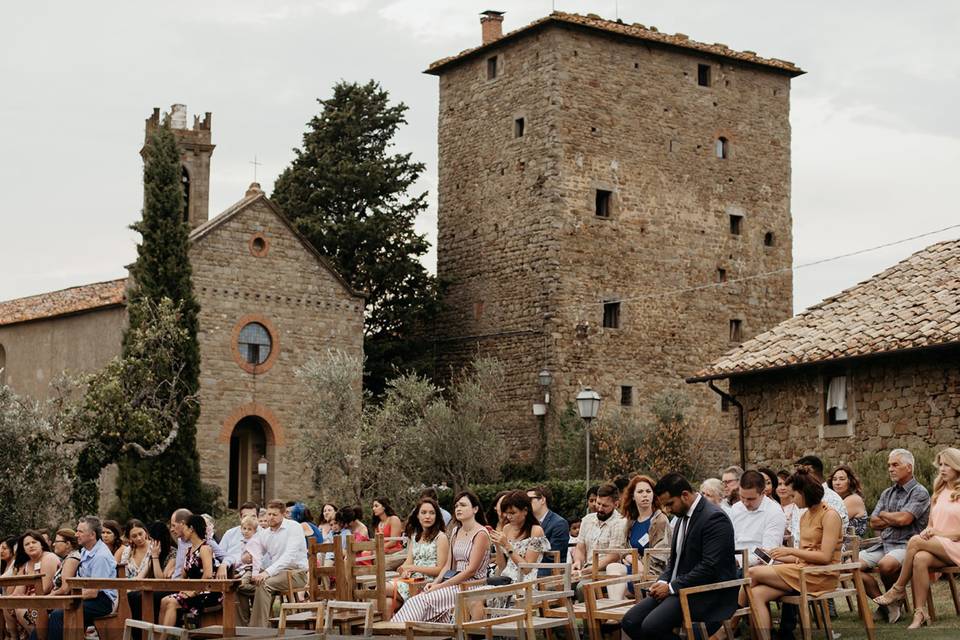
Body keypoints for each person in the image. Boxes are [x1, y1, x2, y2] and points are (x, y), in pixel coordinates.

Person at [621, 473, 738, 640]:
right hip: (680, 588)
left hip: (706, 592)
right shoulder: (681, 517)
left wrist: (670, 588)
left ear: (685, 495)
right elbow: (675, 561)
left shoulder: (714, 518)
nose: (668, 510)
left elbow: (710, 567)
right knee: (630, 621)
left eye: (670, 504)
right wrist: (662, 581)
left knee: (651, 627)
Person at [740, 469, 842, 638]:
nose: (792, 501)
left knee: (751, 572)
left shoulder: (829, 515)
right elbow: (804, 554)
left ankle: (731, 622)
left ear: (804, 493)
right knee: (756, 594)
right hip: (802, 570)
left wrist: (789, 550)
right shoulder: (805, 515)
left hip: (820, 575)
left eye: (793, 496)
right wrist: (777, 555)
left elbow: (824, 557)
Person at [874, 447, 960, 629]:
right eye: (941, 465)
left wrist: (936, 535)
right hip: (942, 545)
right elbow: (931, 524)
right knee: (920, 558)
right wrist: (927, 531)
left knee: (914, 541)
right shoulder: (938, 492)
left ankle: (897, 589)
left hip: (956, 544)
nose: (943, 469)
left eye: (947, 465)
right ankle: (920, 612)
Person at [392, 491, 490, 623]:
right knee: (417, 600)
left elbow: (471, 570)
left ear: (475, 509)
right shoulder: (456, 531)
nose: (458, 509)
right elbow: (448, 566)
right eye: (456, 506)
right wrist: (436, 583)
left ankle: (397, 631)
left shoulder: (481, 533)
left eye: (463, 505)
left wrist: (441, 585)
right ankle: (397, 631)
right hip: (454, 582)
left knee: (421, 601)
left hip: (472, 585)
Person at [857, 449, 929, 624]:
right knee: (851, 566)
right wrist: (893, 518)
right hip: (884, 544)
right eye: (889, 465)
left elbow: (905, 519)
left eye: (895, 465)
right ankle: (888, 605)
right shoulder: (887, 493)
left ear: (909, 467)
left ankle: (892, 597)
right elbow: (873, 522)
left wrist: (886, 515)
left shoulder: (919, 492)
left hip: (908, 545)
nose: (890, 469)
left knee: (886, 565)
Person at [36, 516, 117, 640]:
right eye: (77, 530)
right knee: (46, 612)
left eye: (80, 531)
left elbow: (93, 592)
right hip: (87, 597)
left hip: (102, 601)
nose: (76, 534)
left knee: (59, 614)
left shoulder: (101, 556)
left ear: (92, 534)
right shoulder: (85, 550)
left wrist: (67, 598)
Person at [237, 499, 308, 627]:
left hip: (296, 574)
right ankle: (241, 627)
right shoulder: (265, 533)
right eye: (269, 514)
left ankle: (257, 630)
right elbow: (256, 550)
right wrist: (247, 556)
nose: (270, 517)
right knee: (238, 586)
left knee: (263, 584)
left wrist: (266, 573)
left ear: (283, 514)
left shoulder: (294, 527)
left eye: (274, 514)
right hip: (275, 574)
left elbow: (289, 557)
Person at [157, 515, 220, 637]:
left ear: (191, 529)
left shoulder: (205, 548)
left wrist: (193, 592)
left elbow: (207, 576)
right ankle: (161, 636)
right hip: (191, 590)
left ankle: (163, 638)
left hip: (206, 592)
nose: (182, 531)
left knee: (171, 602)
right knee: (164, 600)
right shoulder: (188, 550)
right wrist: (183, 589)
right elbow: (184, 576)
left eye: (184, 528)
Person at [385, 497, 449, 616]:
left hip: (428, 583)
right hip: (410, 581)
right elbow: (407, 564)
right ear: (418, 516)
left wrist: (414, 568)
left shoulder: (441, 537)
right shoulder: (415, 537)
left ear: (436, 516)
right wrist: (403, 571)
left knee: (380, 589)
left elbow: (441, 569)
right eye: (423, 513)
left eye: (432, 513)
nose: (427, 516)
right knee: (386, 603)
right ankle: (387, 632)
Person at [729, 470, 787, 568]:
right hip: (732, 562)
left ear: (763, 492)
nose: (746, 503)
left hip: (758, 567)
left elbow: (768, 554)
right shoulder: (736, 508)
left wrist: (739, 562)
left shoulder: (774, 512)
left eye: (751, 499)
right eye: (742, 497)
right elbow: (730, 541)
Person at [572, 483, 627, 583]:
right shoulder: (587, 520)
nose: (600, 508)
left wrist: (592, 569)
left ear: (616, 504)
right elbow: (580, 548)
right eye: (598, 503)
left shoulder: (620, 522)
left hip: (606, 572)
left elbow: (613, 556)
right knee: (556, 586)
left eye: (605, 506)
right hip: (586, 569)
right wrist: (578, 562)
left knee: (582, 588)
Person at [491, 491, 549, 585]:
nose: (509, 517)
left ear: (525, 511)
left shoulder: (536, 531)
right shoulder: (506, 528)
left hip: (525, 582)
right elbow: (502, 566)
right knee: (477, 596)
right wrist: (497, 545)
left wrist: (507, 545)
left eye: (513, 513)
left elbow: (526, 569)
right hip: (505, 579)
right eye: (506, 513)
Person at [11, 530, 60, 636]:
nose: (31, 546)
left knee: (20, 609)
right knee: (10, 605)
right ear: (23, 549)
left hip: (50, 601)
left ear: (41, 544)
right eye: (27, 544)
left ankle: (38, 636)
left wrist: (24, 599)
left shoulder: (48, 558)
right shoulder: (26, 565)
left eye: (34, 542)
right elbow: (18, 591)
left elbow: (44, 588)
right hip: (32, 601)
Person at [526, 486, 570, 565]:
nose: (526, 504)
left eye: (529, 500)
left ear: (542, 500)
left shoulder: (559, 524)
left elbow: (553, 557)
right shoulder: (526, 522)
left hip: (548, 570)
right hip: (526, 567)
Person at [217, 502, 259, 577]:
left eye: (253, 517)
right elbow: (219, 555)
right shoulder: (230, 533)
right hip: (230, 570)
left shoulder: (263, 534)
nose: (249, 520)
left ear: (257, 518)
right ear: (240, 518)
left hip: (253, 572)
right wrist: (222, 565)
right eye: (245, 516)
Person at [827, 464, 867, 536]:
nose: (837, 483)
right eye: (834, 479)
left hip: (852, 546)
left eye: (842, 479)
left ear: (850, 481)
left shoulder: (854, 499)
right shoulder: (837, 499)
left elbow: (830, 522)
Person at [373, 497, 406, 569]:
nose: (373, 509)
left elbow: (393, 541)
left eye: (376, 506)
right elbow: (376, 541)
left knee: (381, 564)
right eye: (373, 506)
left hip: (394, 552)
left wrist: (379, 548)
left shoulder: (393, 519)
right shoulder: (377, 523)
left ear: (384, 507)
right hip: (381, 552)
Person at [51, 529, 82, 595]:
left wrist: (48, 597)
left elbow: (65, 589)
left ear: (68, 544)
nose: (53, 544)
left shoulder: (71, 560)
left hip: (63, 602)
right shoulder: (69, 558)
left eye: (56, 542)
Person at [776, 470, 795, 538]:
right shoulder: (774, 507)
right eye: (779, 484)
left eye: (786, 484)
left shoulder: (797, 508)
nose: (782, 488)